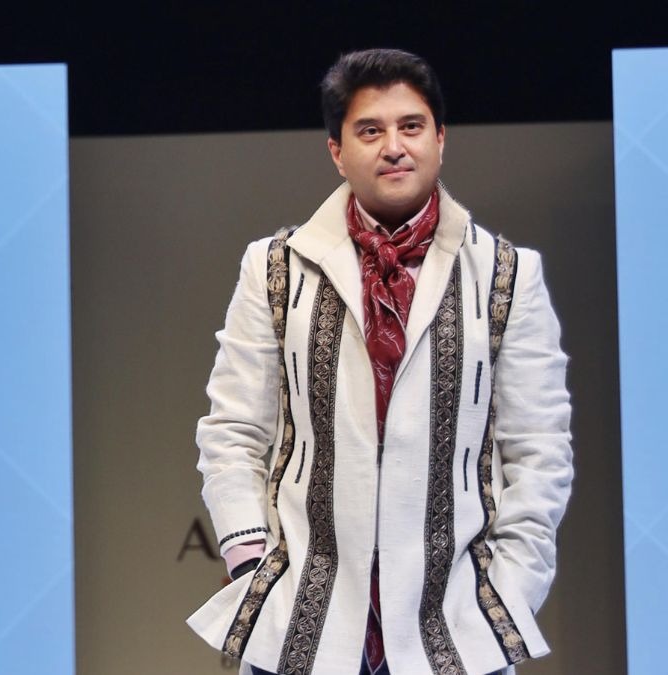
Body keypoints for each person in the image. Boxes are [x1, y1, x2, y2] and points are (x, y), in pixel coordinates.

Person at [186, 49, 572, 675]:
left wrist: (511, 590)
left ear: (440, 138)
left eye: (411, 126)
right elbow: (233, 430)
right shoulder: (275, 266)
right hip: (303, 624)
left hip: (454, 627)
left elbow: (539, 448)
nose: (394, 147)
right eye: (370, 131)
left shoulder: (506, 274)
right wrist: (250, 561)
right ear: (337, 151)